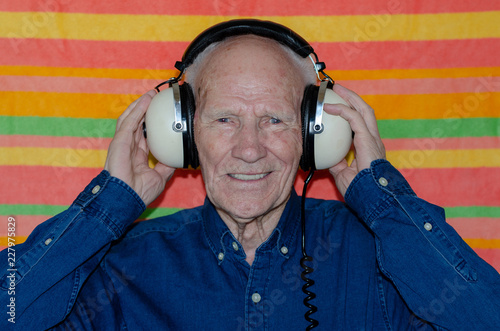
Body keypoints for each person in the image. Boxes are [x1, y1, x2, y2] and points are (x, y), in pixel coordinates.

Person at [1, 20, 499, 330]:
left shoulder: (385, 257)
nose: (249, 148)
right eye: (224, 119)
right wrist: (107, 207)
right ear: (181, 133)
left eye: (275, 119)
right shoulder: (120, 268)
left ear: (316, 132)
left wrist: (382, 201)